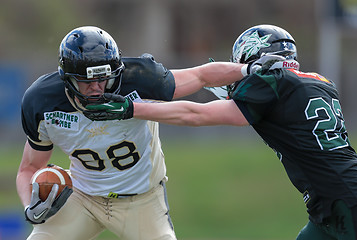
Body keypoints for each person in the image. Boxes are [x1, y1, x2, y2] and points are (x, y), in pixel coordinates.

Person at [87, 24, 357, 239]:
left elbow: (196, 114)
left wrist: (132, 108)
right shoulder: (320, 82)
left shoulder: (273, 82)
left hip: (343, 200)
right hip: (331, 200)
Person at [16, 25, 251, 240]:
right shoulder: (42, 102)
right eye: (87, 82)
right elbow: (29, 168)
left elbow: (201, 75)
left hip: (142, 201)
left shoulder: (139, 78)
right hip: (81, 197)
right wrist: (31, 207)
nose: (97, 88)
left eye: (103, 79)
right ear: (68, 80)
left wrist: (247, 69)